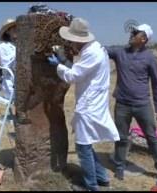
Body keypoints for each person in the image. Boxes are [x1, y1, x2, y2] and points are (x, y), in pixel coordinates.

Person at [47, 17, 120, 191]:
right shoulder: (95, 49)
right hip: (93, 102)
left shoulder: (92, 53)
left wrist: (58, 65)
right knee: (86, 145)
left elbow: (73, 76)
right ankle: (102, 177)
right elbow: (80, 70)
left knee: (82, 146)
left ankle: (91, 186)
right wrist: (64, 61)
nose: (71, 45)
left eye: (71, 42)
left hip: (90, 106)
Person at [106, 24, 157, 180]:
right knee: (121, 137)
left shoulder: (149, 58)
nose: (131, 34)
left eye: (135, 33)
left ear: (144, 38)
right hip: (122, 104)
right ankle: (119, 166)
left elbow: (156, 83)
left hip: (142, 105)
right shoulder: (120, 52)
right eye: (132, 32)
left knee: (151, 137)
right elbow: (101, 50)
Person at [0, 18, 17, 100]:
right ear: (7, 31)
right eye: (14, 28)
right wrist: (19, 52)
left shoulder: (16, 45)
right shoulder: (2, 47)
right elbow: (6, 66)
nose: (17, 30)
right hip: (10, 82)